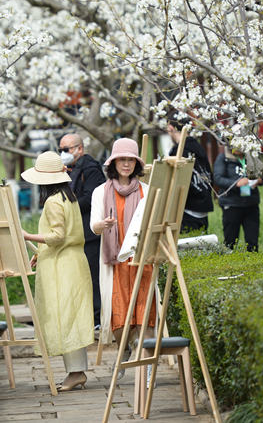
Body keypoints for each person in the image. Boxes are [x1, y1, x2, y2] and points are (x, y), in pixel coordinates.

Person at [21, 151, 94, 392]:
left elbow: (57, 236)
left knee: (64, 318)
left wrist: (27, 236)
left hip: (62, 266)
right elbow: (63, 235)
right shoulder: (68, 197)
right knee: (72, 316)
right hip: (72, 260)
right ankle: (77, 372)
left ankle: (75, 373)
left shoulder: (53, 201)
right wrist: (39, 251)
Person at [90, 138, 154, 372]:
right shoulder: (101, 192)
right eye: (121, 160)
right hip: (114, 260)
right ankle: (124, 346)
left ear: (136, 164)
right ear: (113, 163)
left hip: (141, 259)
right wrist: (103, 225)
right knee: (117, 309)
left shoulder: (147, 191)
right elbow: (93, 226)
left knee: (145, 308)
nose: (126, 164)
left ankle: (145, 363)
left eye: (130, 160)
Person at [59, 133, 106, 328]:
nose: (63, 153)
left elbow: (91, 199)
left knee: (93, 277)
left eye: (66, 149)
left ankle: (97, 317)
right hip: (76, 232)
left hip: (91, 232)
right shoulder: (69, 169)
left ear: (80, 148)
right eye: (60, 149)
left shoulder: (91, 169)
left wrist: (67, 206)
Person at [166, 119, 214, 233]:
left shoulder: (179, 152)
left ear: (172, 129)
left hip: (186, 209)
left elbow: (175, 183)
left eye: (168, 130)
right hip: (203, 206)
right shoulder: (198, 147)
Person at [214, 147, 263, 251]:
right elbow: (218, 178)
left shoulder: (252, 157)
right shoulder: (224, 157)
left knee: (253, 242)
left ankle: (254, 264)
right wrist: (236, 184)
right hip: (232, 204)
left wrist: (260, 180)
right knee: (230, 241)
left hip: (251, 204)